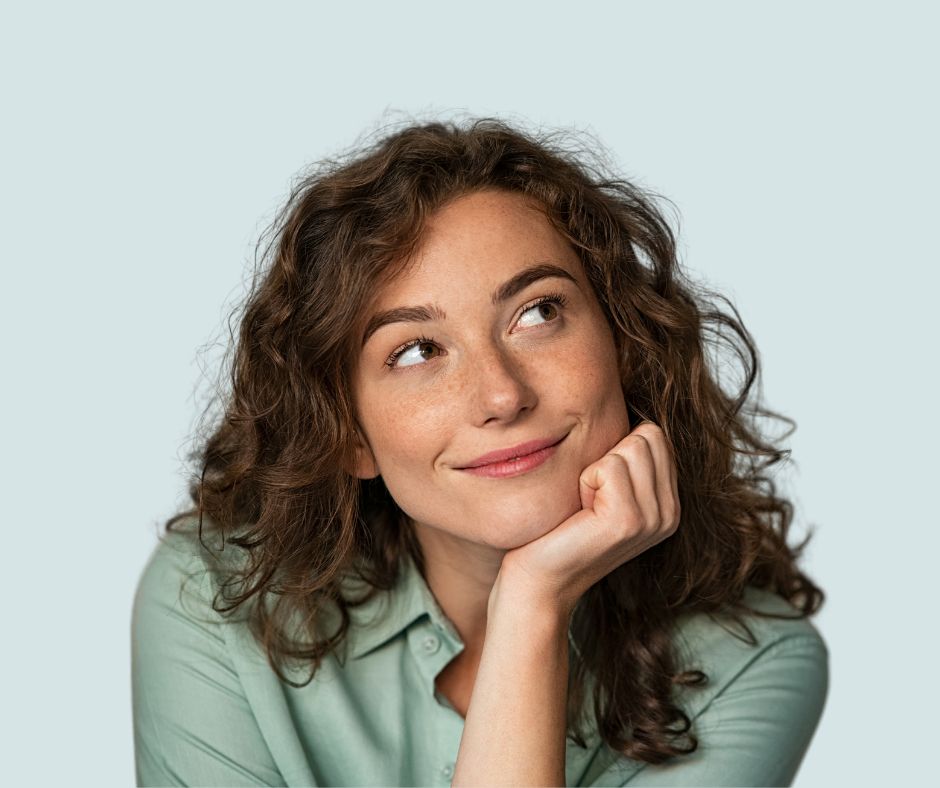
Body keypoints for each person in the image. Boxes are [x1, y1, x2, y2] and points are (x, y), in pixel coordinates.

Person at [132, 118, 828, 787]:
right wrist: (534, 603)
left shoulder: (753, 660)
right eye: (415, 351)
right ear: (346, 435)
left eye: (537, 313)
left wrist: (531, 604)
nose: (500, 395)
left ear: (627, 343)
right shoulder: (209, 601)